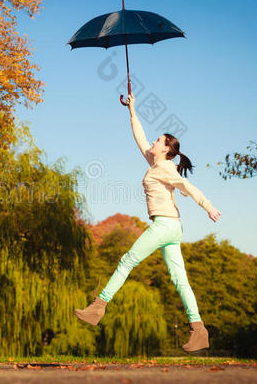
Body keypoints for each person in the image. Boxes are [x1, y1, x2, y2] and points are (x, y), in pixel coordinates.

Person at [75, 92, 221, 353]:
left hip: (165, 225)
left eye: (158, 140)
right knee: (180, 279)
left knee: (127, 260)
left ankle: (98, 307)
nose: (153, 142)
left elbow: (187, 186)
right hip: (172, 227)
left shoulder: (165, 168)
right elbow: (139, 137)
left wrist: (208, 206)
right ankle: (199, 330)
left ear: (166, 148)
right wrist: (132, 110)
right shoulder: (154, 163)